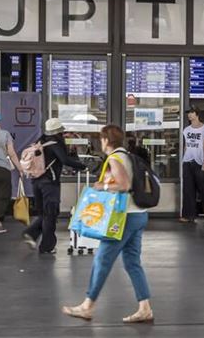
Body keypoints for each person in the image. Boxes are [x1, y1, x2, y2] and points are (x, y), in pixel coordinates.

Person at [63, 125, 154, 324]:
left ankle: (87, 306)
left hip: (123, 218)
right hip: (138, 214)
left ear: (106, 140)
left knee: (102, 260)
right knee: (132, 262)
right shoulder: (127, 156)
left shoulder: (115, 158)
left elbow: (124, 185)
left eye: (101, 139)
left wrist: (101, 185)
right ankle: (145, 307)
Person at [23, 118, 87, 254]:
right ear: (58, 131)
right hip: (49, 184)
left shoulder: (40, 141)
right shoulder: (55, 143)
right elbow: (65, 160)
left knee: (44, 213)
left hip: (36, 181)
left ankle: (32, 234)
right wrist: (83, 166)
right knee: (50, 214)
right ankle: (46, 246)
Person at [180, 108, 204, 222]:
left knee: (203, 188)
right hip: (187, 161)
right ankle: (188, 215)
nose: (189, 115)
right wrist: (184, 158)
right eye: (188, 113)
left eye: (191, 113)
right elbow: (186, 145)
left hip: (200, 161)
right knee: (188, 189)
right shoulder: (186, 129)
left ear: (197, 114)